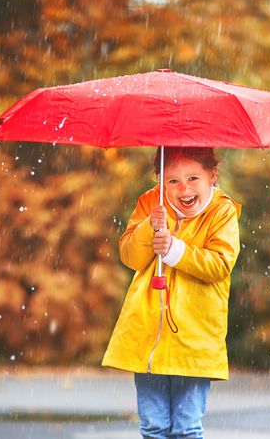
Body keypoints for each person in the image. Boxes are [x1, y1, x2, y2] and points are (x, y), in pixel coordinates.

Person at [102, 147, 241, 439]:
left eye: (193, 178)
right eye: (173, 181)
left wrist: (175, 250)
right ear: (160, 180)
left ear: (212, 176)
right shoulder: (152, 203)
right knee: (153, 426)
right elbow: (131, 257)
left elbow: (220, 264)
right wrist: (148, 228)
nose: (184, 189)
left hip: (193, 336)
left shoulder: (222, 211)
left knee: (186, 427)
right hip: (150, 332)